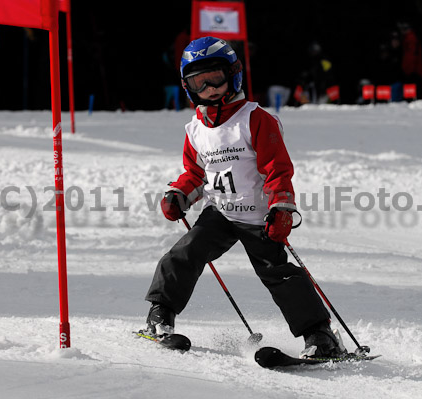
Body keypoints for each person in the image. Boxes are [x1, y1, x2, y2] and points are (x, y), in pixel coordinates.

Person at [140, 36, 345, 359]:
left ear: (232, 74)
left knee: (278, 273)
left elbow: (277, 170)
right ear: (188, 86)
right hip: (219, 213)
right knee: (183, 255)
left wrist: (281, 209)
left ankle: (320, 335)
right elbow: (196, 174)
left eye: (215, 77)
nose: (209, 87)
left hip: (257, 216)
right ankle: (160, 317)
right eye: (198, 81)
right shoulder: (195, 129)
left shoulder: (255, 119)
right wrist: (179, 194)